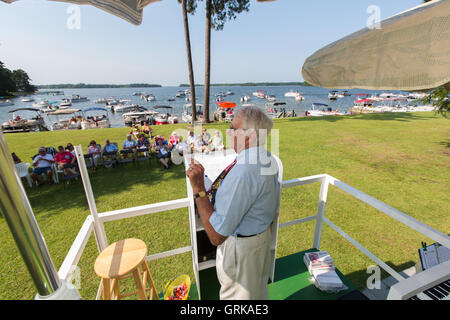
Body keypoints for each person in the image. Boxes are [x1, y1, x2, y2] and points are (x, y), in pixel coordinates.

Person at [186, 106, 280, 300]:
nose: (227, 132)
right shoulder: (267, 158)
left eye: (233, 128)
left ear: (251, 136)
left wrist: (198, 188)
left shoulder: (243, 173)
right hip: (259, 240)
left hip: (242, 251)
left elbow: (216, 236)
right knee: (257, 294)